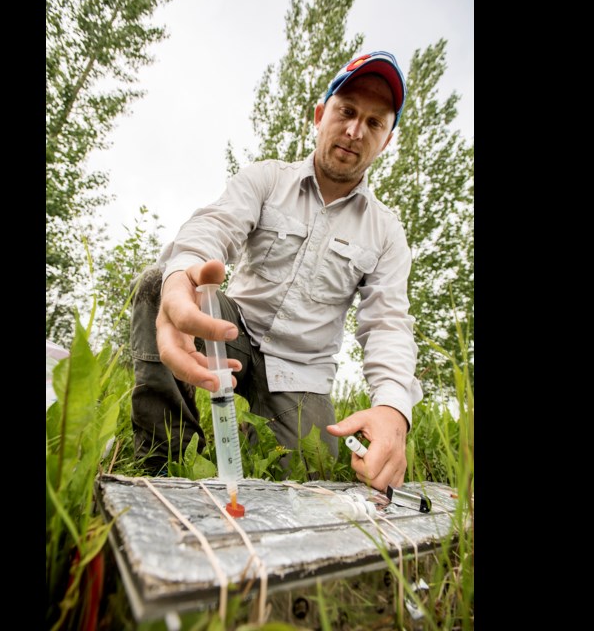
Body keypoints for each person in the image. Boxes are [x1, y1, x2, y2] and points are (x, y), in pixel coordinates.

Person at [129, 51, 422, 491]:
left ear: (387, 140)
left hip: (300, 372)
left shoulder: (386, 232)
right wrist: (181, 276)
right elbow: (213, 225)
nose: (354, 130)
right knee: (159, 283)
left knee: (313, 479)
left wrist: (394, 408)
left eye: (374, 122)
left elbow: (388, 324)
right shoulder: (266, 179)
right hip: (233, 334)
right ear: (320, 115)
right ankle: (162, 465)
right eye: (346, 111)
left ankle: (253, 437)